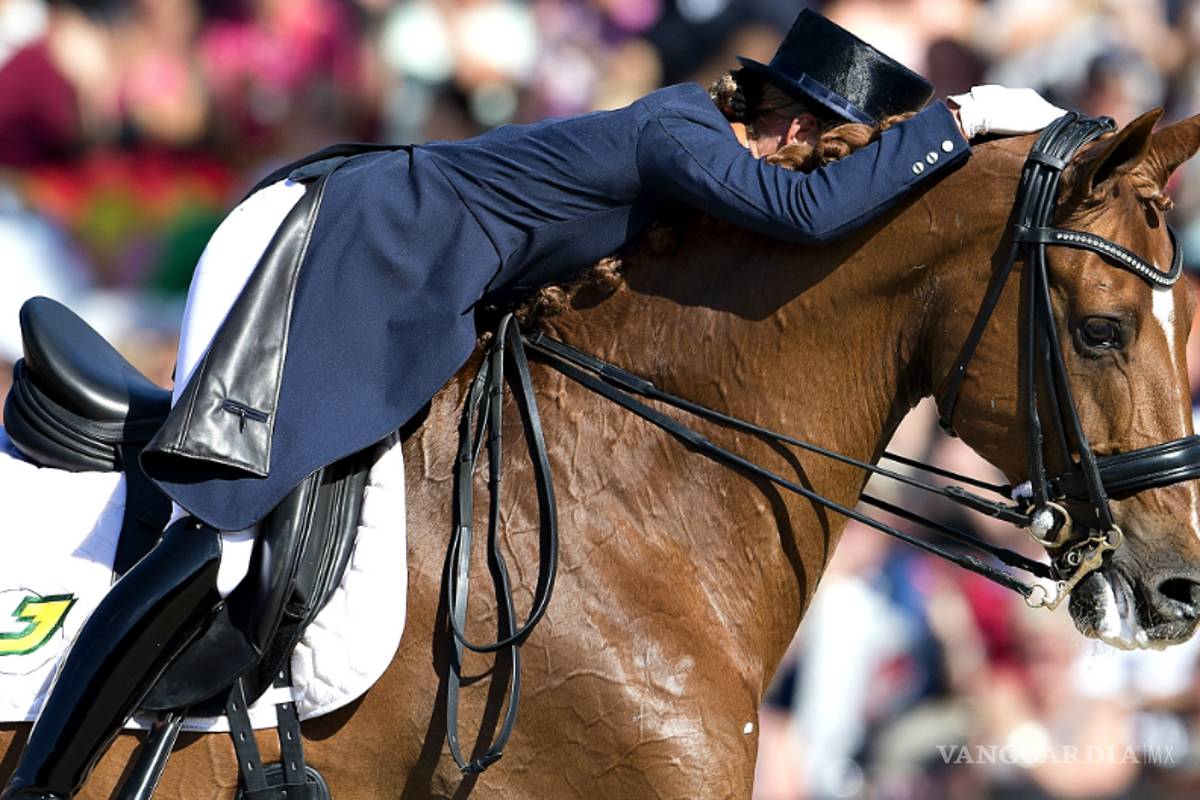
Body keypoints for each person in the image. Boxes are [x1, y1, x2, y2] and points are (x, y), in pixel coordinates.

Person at [1, 10, 1066, 799]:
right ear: (786, 122)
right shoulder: (678, 129)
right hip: (335, 250)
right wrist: (967, 119)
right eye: (817, 144)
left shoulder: (689, 153)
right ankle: (50, 771)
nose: (804, 160)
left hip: (389, 268)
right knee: (227, 526)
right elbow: (798, 207)